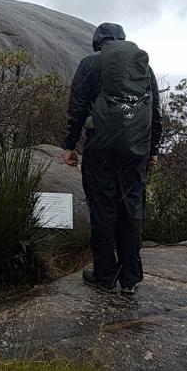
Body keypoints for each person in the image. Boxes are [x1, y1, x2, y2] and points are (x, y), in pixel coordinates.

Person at [63, 22, 161, 293]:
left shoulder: (89, 64)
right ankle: (130, 278)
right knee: (131, 210)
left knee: (103, 210)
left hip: (100, 150)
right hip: (136, 151)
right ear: (122, 40)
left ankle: (105, 276)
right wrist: (152, 151)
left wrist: (70, 146)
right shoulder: (143, 66)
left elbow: (77, 108)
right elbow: (154, 112)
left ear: (98, 41)